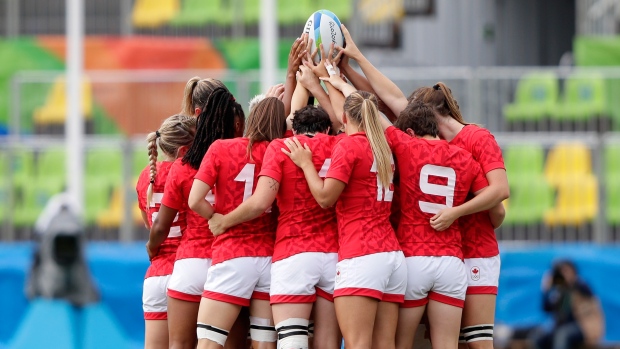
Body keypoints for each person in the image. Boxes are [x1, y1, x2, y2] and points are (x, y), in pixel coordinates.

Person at [208, 77, 342, 349]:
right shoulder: (339, 144)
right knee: (327, 340)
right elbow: (343, 121)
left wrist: (224, 221)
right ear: (327, 128)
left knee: (292, 340)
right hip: (334, 254)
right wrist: (316, 84)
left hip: (292, 253)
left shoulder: (281, 146)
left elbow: (260, 203)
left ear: (292, 127)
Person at [283, 90, 406, 349]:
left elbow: (326, 198)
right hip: (392, 255)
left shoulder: (349, 146)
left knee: (357, 343)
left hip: (362, 253)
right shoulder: (383, 146)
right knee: (385, 344)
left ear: (343, 117)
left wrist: (306, 164)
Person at [149, 88, 245, 349]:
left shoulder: (180, 167)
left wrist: (151, 248)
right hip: (228, 260)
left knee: (179, 343)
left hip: (189, 262)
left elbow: (161, 224)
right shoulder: (242, 159)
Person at [188, 97, 286, 349]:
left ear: (249, 118)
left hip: (232, 255)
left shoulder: (221, 148)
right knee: (264, 343)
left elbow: (194, 199)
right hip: (270, 257)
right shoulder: (281, 150)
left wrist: (216, 219)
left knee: (209, 341)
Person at [137, 114, 196, 349]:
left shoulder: (146, 176)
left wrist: (152, 246)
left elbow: (149, 223)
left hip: (156, 274)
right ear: (184, 150)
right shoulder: (189, 173)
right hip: (187, 269)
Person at [530, 260, 604, 349]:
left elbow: (586, 293)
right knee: (538, 336)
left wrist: (569, 282)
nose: (563, 275)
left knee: (562, 335)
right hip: (562, 327)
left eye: (566, 271)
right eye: (561, 272)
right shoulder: (559, 290)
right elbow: (546, 308)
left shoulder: (581, 285)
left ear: (573, 271)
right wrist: (546, 291)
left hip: (583, 326)